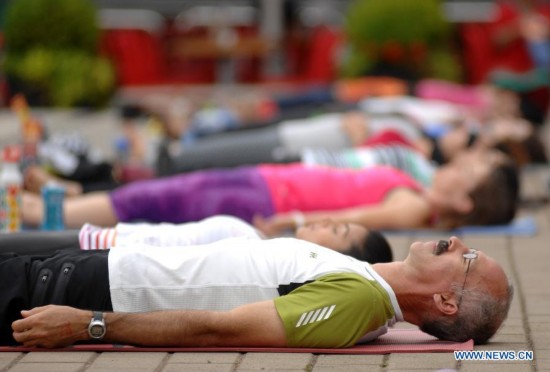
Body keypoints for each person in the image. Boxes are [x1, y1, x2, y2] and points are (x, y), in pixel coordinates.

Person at [3, 236, 513, 348]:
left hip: (67, 291)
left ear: (447, 301)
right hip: (74, 269)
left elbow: (221, 330)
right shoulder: (365, 276)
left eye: (466, 258)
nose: (458, 242)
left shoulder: (358, 300)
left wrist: (87, 324)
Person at [21, 147, 519, 232]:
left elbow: (361, 220)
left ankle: (45, 215)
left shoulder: (414, 206)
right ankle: (61, 202)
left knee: (159, 202)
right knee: (165, 191)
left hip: (267, 201)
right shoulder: (416, 184)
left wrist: (294, 223)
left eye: (466, 175)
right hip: (267, 182)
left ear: (462, 203)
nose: (457, 167)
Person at [0, 215, 394, 264]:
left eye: (337, 231)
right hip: (97, 241)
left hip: (93, 249)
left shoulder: (255, 252)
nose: (326, 221)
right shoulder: (259, 243)